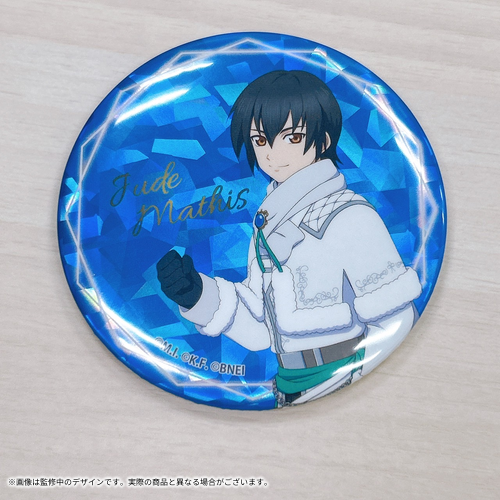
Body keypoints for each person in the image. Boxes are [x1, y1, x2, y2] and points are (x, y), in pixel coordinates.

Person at [157, 70, 422, 406]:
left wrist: (351, 381)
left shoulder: (351, 217)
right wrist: (197, 295)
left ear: (323, 141)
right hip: (287, 389)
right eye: (260, 140)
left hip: (344, 381)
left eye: (292, 138)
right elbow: (260, 330)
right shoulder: (267, 225)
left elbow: (396, 319)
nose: (272, 154)